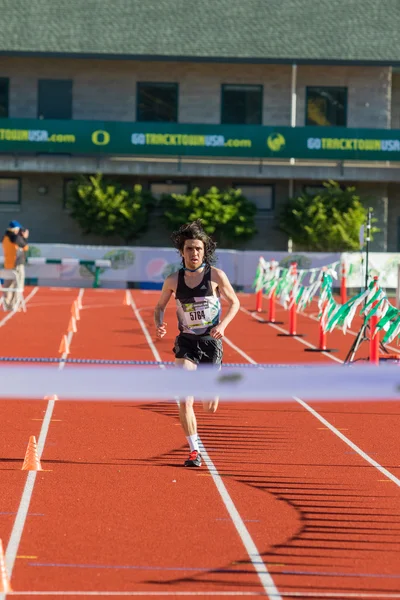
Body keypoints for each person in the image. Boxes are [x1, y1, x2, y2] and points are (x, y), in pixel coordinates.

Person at [154, 220, 240, 467]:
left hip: (210, 343)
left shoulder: (216, 276)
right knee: (184, 397)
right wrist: (158, 323)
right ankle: (194, 451)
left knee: (209, 406)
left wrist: (222, 326)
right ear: (182, 252)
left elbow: (235, 303)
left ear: (205, 251)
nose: (194, 253)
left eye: (198, 249)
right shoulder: (173, 280)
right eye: (189, 248)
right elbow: (159, 307)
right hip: (186, 342)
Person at [1, 220, 29, 311]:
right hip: (16, 265)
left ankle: (7, 304)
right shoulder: (16, 238)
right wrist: (24, 237)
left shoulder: (4, 238)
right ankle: (14, 305)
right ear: (16, 229)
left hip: (7, 265)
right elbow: (25, 247)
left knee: (8, 286)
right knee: (18, 286)